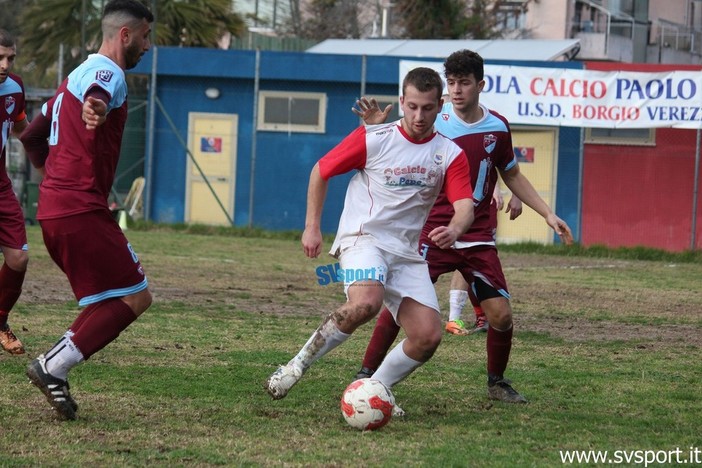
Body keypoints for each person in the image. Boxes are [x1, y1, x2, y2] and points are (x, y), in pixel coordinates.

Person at [352, 49, 573, 404]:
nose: (456, 90)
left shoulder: (497, 127)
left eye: (464, 82)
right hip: (433, 232)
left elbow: (511, 173)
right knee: (401, 306)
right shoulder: (433, 122)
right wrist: (375, 127)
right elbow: (392, 148)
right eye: (451, 82)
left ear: (480, 85)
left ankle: (496, 382)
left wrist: (547, 213)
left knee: (500, 314)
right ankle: (365, 374)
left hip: (478, 236)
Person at [264, 67, 474, 408]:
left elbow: (465, 206)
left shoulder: (449, 153)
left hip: (405, 253)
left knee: (427, 336)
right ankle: (295, 365)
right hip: (364, 239)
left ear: (441, 106)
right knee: (366, 302)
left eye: (428, 108)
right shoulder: (375, 138)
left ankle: (372, 390)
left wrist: (455, 228)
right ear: (403, 101)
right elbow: (321, 170)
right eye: (413, 106)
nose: (419, 116)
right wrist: (312, 226)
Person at [19, 0, 154, 421]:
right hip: (78, 209)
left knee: (114, 297)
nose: (149, 47)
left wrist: (55, 175)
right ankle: (53, 366)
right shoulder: (105, 73)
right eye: (146, 37)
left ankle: (54, 367)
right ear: (125, 35)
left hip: (56, 209)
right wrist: (96, 107)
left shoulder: (68, 81)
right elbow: (98, 93)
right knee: (135, 296)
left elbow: (31, 137)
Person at [446, 184, 523, 335]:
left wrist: (516, 195)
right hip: (459, 201)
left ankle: (469, 318)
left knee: (471, 259)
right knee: (466, 256)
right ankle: (457, 319)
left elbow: (506, 168)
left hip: (484, 203)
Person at [0, 29, 29, 355]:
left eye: (10, 58)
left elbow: (21, 127)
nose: (5, 65)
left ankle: (1, 321)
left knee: (18, 258)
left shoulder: (15, 87)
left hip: (1, 185)